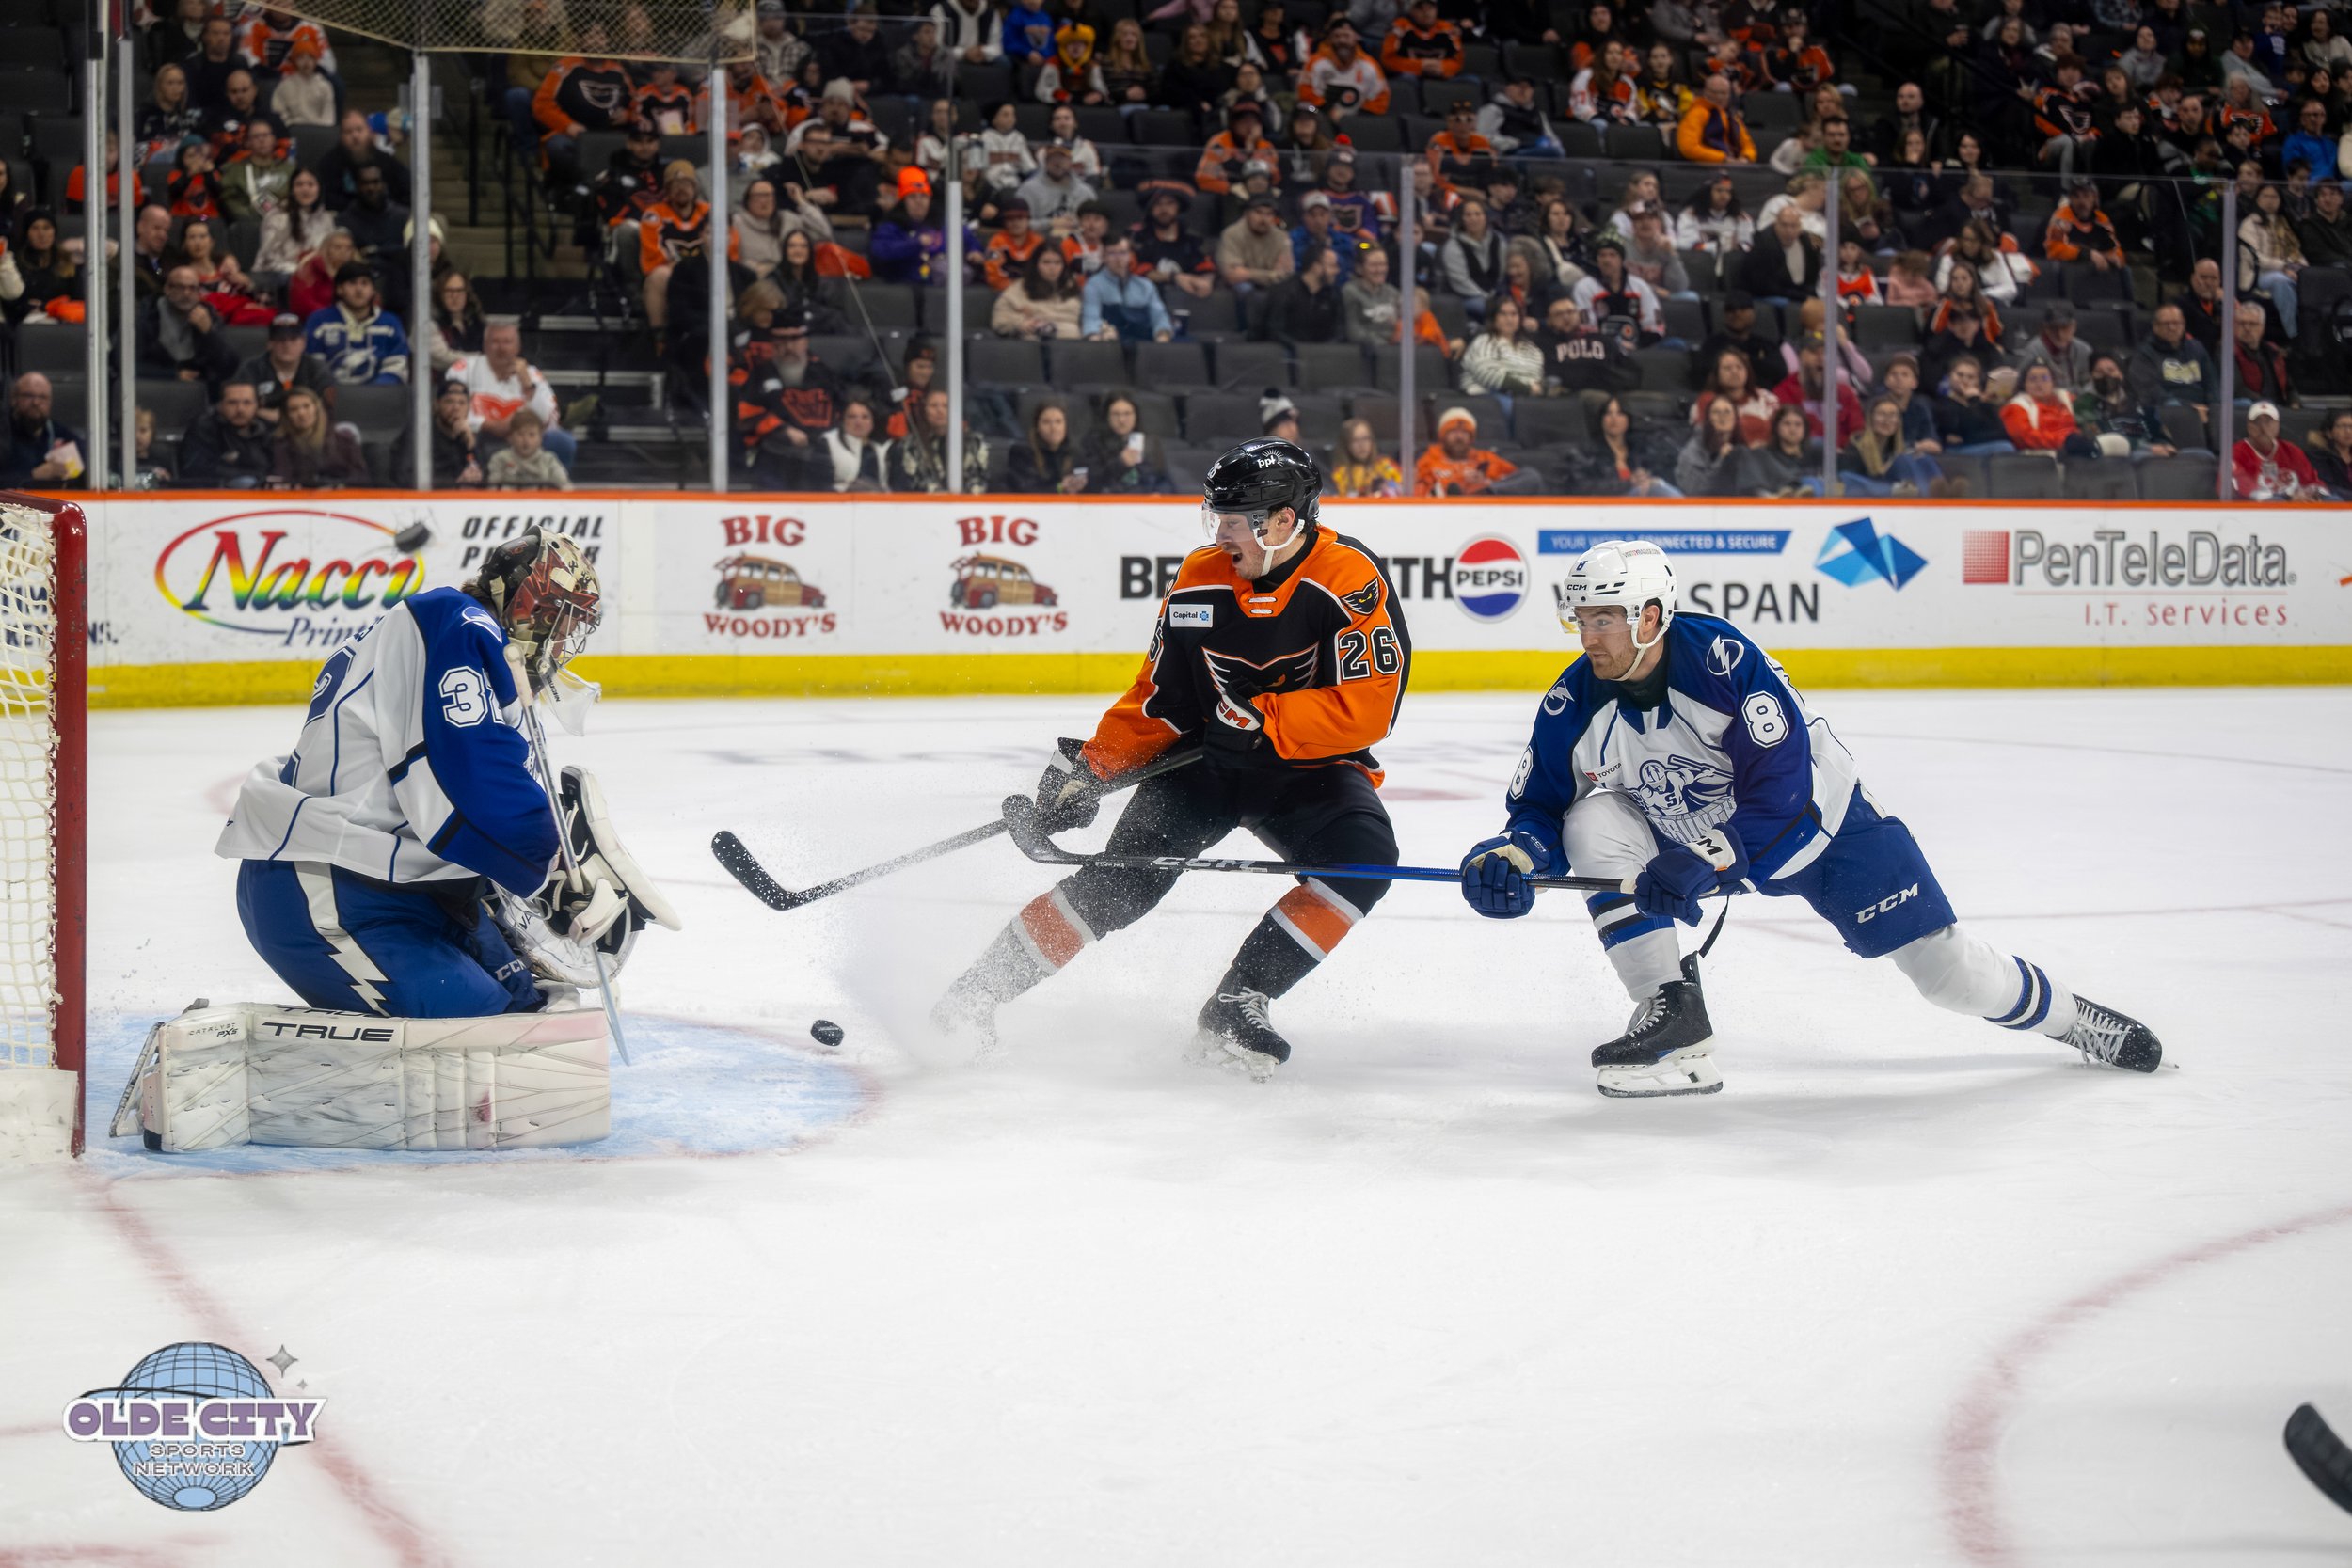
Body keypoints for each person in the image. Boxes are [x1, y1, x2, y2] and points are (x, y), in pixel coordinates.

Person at [1456, 539, 2162, 1099]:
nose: (1589, 637)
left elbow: (1781, 795)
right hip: (1694, 838)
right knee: (1593, 818)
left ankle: (2079, 1021)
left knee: (1951, 977)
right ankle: (1673, 1013)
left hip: (1817, 833)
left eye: (1604, 618)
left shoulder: (1723, 665)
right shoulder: (1574, 701)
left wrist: (1705, 856)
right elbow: (1541, 808)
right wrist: (1516, 856)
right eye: (1581, 619)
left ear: (1650, 616)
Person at [931, 440, 1408, 1078]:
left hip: (1310, 771)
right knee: (1118, 885)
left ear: (1282, 522)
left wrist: (1265, 721)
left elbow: (1369, 705)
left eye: (1234, 521)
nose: (1220, 533)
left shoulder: (1350, 579)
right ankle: (974, 995)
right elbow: (1160, 698)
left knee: (1364, 863)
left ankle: (1238, 1003)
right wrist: (1092, 768)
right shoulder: (1198, 579)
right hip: (1203, 769)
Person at [215, 531, 660, 1019]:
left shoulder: (461, 649)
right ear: (529, 605)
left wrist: (536, 883)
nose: (564, 639)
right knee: (485, 1030)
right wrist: (551, 867)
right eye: (563, 618)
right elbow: (467, 785)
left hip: (402, 888)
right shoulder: (458, 623)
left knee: (532, 1010)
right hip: (326, 887)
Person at [304, 261, 410, 385]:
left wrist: (375, 392)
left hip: (378, 398)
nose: (359, 289)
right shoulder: (319, 321)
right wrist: (332, 391)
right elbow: (313, 365)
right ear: (339, 289)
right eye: (352, 283)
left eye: (365, 283)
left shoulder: (390, 323)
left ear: (373, 290)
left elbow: (397, 364)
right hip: (330, 398)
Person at [137, 265, 241, 388]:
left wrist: (209, 333)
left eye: (192, 288)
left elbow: (229, 366)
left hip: (201, 389)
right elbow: (126, 364)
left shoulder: (208, 314)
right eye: (180, 287)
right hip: (157, 387)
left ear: (199, 292)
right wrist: (172, 375)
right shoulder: (148, 314)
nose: (187, 294)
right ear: (167, 289)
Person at [236, 312, 336, 426]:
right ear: (270, 344)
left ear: (303, 343)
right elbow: (238, 406)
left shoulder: (317, 368)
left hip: (307, 428)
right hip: (261, 428)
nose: (287, 345)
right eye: (281, 340)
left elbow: (327, 407)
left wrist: (284, 417)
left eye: (293, 340)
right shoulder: (251, 368)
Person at [886, 385, 989, 494]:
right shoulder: (909, 445)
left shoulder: (974, 442)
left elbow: (981, 478)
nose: (940, 411)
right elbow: (905, 484)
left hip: (968, 507)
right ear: (924, 410)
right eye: (933, 406)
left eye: (946, 406)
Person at [1414, 405, 1534, 496]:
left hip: (1485, 508)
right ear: (1442, 436)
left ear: (1471, 438)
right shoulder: (1429, 458)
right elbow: (1414, 490)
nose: (1459, 437)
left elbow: (1517, 480)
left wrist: (1488, 483)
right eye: (1453, 432)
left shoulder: (1486, 458)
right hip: (1444, 511)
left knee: (1531, 475)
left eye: (1464, 432)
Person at [1840, 394, 1947, 495]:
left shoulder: (1895, 447)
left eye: (1892, 415)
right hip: (1874, 495)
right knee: (1903, 459)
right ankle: (1929, 494)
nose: (1887, 420)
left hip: (1897, 492)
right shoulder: (1856, 448)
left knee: (1924, 460)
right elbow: (1853, 483)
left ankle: (1941, 492)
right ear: (1870, 418)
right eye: (1882, 414)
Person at [179, 380, 277, 487]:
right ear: (220, 405)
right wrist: (256, 477)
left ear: (258, 405)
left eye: (247, 402)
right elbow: (197, 468)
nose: (240, 409)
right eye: (232, 402)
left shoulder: (266, 429)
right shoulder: (204, 427)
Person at [2127, 302, 2217, 415]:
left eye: (2176, 323)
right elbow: (2152, 393)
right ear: (2155, 327)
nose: (2172, 328)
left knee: (2243, 404)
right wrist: (2190, 409)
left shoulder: (2197, 348)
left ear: (2184, 325)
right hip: (2169, 410)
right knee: (2174, 408)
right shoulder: (2144, 355)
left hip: (2203, 408)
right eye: (2166, 324)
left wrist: (2213, 407)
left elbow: (2212, 383)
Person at [268, 385, 366, 487]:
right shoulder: (280, 445)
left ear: (316, 408)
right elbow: (282, 477)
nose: (301, 413)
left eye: (306, 406)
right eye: (293, 409)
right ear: (287, 415)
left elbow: (361, 477)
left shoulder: (344, 440)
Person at [1080, 236, 1173, 343]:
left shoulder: (1146, 286)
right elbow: (1091, 319)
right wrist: (1095, 339)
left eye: (1123, 253)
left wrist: (1162, 335)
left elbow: (1159, 316)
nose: (1118, 258)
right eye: (1112, 253)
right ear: (1103, 257)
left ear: (1130, 256)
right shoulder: (1093, 285)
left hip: (1144, 345)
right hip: (1109, 345)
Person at [0, 374, 85, 490]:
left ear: (50, 402)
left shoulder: (60, 433)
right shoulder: (4, 431)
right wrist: (34, 475)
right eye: (28, 395)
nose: (36, 402)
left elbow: (87, 468)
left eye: (43, 397)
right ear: (14, 399)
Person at [1080, 393, 1173, 495]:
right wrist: (1121, 464)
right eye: (1115, 414)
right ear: (1107, 417)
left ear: (1136, 416)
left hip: (1145, 505)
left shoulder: (1151, 442)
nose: (1122, 420)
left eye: (1127, 414)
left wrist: (1159, 493)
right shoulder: (1093, 442)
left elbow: (1165, 480)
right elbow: (1092, 483)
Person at [1458, 295, 1545, 399]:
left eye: (1514, 314)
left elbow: (1537, 378)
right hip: (1485, 397)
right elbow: (1486, 373)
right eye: (1503, 314)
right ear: (1494, 318)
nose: (1509, 319)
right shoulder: (1484, 341)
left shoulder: (1533, 350)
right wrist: (1526, 388)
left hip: (1524, 399)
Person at [2233, 399, 2321, 499]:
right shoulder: (2237, 452)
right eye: (2258, 422)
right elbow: (2245, 491)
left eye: (2269, 422)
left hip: (2298, 509)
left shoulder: (2292, 451)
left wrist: (2308, 493)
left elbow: (2313, 483)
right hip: (2257, 511)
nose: (2263, 427)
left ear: (2277, 426)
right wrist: (2289, 499)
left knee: (2334, 499)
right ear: (2249, 427)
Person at [1264, 242, 1345, 348]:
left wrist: (1326, 350)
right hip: (1287, 356)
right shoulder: (1284, 292)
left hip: (1324, 356)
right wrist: (1301, 350)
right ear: (1316, 267)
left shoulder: (1333, 294)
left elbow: (1339, 331)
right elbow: (1275, 331)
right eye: (1332, 266)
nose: (1337, 271)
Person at [1739, 202, 1823, 302]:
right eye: (1784, 225)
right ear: (1776, 224)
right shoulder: (1763, 245)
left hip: (1799, 295)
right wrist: (1801, 298)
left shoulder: (1806, 242)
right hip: (1770, 297)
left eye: (1793, 226)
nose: (1789, 231)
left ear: (1800, 226)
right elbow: (1764, 285)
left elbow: (1812, 276)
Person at [993, 245, 1085, 339]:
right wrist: (1019, 323)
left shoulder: (1072, 287)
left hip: (1069, 338)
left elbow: (1084, 319)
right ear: (1036, 264)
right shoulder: (1020, 288)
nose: (1052, 267)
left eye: (1058, 263)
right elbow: (1000, 319)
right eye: (1046, 262)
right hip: (1033, 340)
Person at [1692, 350, 1778, 446]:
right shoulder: (1706, 401)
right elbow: (1703, 437)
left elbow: (1780, 433)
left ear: (1747, 371)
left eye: (1739, 367)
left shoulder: (1766, 398)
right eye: (1727, 368)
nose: (1734, 372)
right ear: (1717, 374)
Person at [2000, 361, 2088, 454]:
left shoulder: (2067, 399)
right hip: (2040, 457)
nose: (2039, 384)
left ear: (2053, 382)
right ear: (2024, 384)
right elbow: (2026, 438)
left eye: (2045, 378)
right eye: (2033, 379)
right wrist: (2066, 442)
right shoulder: (2016, 407)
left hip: (2076, 450)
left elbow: (2088, 422)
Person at [1217, 194, 1296, 295]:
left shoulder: (1282, 236)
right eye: (1258, 212)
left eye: (1269, 214)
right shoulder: (1232, 233)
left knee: (1287, 290)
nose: (1264, 219)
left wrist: (1248, 273)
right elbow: (1232, 275)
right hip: (1239, 286)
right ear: (1246, 214)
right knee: (1245, 289)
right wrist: (1270, 275)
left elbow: (1286, 273)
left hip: (1271, 286)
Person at [1739, 404, 1822, 496]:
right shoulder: (1766, 456)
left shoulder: (1816, 452)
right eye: (1787, 424)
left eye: (1798, 425)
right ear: (1776, 427)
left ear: (1805, 429)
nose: (1793, 429)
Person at [1675, 396, 1747, 497]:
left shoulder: (1742, 449)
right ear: (1708, 418)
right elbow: (1694, 492)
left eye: (1727, 412)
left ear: (1736, 418)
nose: (1722, 416)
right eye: (1716, 412)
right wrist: (1721, 460)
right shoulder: (1693, 450)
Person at [1009, 400, 1084, 493]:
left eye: (1058, 422)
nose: (1053, 428)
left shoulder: (1075, 453)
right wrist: (1060, 487)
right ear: (1037, 427)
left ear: (1066, 426)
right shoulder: (1022, 453)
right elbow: (1027, 490)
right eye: (1046, 422)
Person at [818, 395, 890, 491]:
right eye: (852, 416)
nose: (858, 422)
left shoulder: (881, 450)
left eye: (865, 417)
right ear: (843, 420)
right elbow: (820, 486)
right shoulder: (828, 442)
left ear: (873, 422)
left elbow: (885, 486)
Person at [1341, 245, 1403, 348]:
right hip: (1367, 352)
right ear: (1359, 269)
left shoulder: (1392, 292)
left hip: (1395, 350)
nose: (1380, 270)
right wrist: (1383, 346)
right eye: (1374, 265)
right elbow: (1353, 329)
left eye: (1383, 264)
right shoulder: (1350, 291)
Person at [1327, 417, 1403, 497]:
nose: (1362, 445)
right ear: (1346, 444)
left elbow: (1403, 490)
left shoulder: (1385, 464)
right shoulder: (1339, 474)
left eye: (1366, 438)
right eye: (1355, 440)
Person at [2303, 408, 2352, 499]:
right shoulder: (2317, 457)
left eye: (2351, 427)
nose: (2348, 431)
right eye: (2343, 426)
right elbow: (2326, 487)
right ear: (2329, 432)